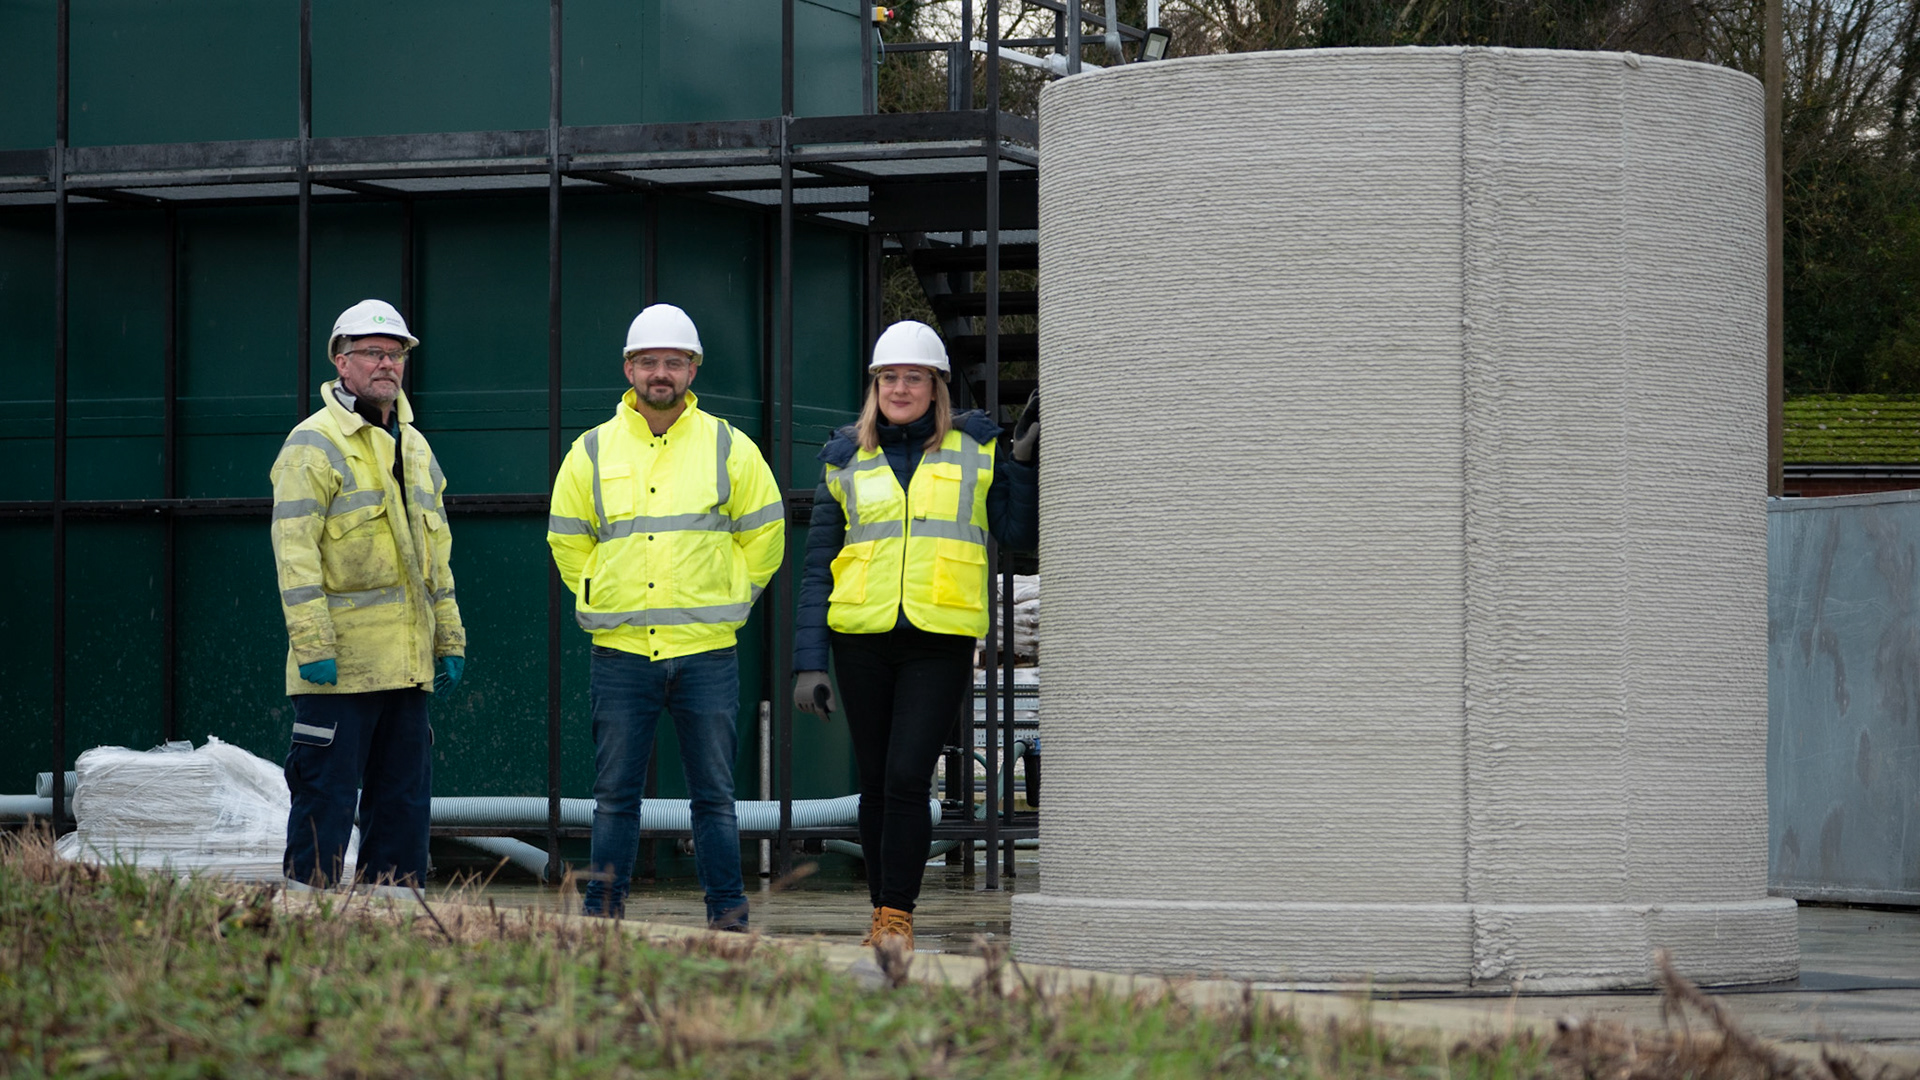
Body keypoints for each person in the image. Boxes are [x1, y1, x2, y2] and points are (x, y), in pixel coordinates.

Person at [791, 320, 1038, 952]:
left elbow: (1017, 535)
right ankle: (883, 911)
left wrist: (1022, 464)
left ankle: (898, 913)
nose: (901, 388)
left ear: (936, 387)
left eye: (915, 378)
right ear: (875, 386)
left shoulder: (976, 447)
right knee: (877, 782)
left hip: (940, 636)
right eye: (890, 377)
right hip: (861, 638)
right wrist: (807, 662)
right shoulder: (844, 457)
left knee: (907, 775)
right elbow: (819, 564)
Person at [547, 303, 785, 928]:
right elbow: (568, 540)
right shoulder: (591, 451)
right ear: (628, 368)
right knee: (615, 799)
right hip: (622, 652)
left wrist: (732, 597)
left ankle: (728, 916)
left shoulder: (729, 446)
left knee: (715, 798)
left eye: (673, 362)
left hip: (707, 650)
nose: (661, 372)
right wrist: (601, 592)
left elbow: (766, 535)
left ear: (692, 369)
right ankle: (602, 916)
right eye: (649, 361)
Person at [271, 299, 466, 894]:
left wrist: (449, 639)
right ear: (340, 361)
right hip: (338, 672)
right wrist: (311, 644)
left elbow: (438, 560)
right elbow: (295, 556)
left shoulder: (415, 449)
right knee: (325, 802)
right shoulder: (314, 444)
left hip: (405, 670)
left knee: (403, 807)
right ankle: (308, 924)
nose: (386, 364)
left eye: (395, 354)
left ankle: (397, 928)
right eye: (372, 353)